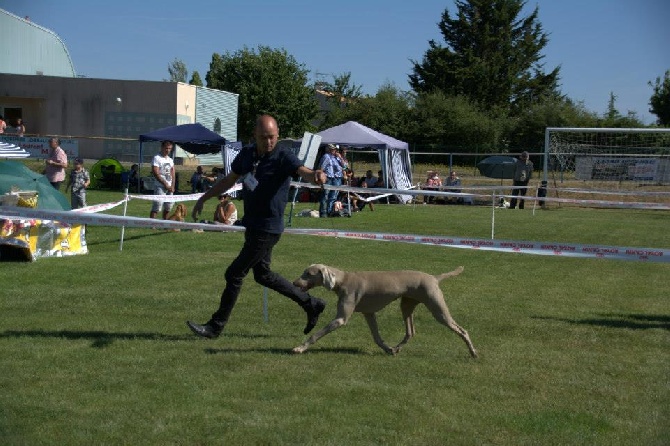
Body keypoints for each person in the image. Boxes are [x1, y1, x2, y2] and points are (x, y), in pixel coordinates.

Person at [186, 114, 328, 339]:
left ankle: (215, 326)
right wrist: (204, 197)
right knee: (263, 275)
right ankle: (312, 304)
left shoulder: (283, 155)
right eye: (264, 137)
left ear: (278, 135)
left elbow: (304, 172)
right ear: (255, 136)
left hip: (268, 227)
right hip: (252, 224)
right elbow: (229, 180)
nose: (268, 142)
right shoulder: (247, 155)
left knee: (234, 273)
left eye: (272, 137)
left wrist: (316, 175)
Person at [318, 144, 347, 217]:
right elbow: (321, 168)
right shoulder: (326, 156)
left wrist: (340, 158)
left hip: (337, 178)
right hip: (328, 178)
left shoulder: (336, 157)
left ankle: (330, 211)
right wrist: (320, 177)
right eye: (333, 149)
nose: (335, 151)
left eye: (335, 149)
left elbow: (345, 167)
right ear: (328, 149)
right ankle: (323, 212)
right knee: (325, 195)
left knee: (333, 196)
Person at [149, 140, 175, 219]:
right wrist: (165, 184)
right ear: (162, 147)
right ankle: (152, 224)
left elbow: (173, 173)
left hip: (170, 187)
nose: (168, 150)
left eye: (170, 148)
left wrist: (172, 186)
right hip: (160, 186)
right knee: (157, 207)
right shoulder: (157, 158)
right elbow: (155, 173)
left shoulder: (170, 160)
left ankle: (165, 223)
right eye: (166, 148)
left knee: (168, 207)